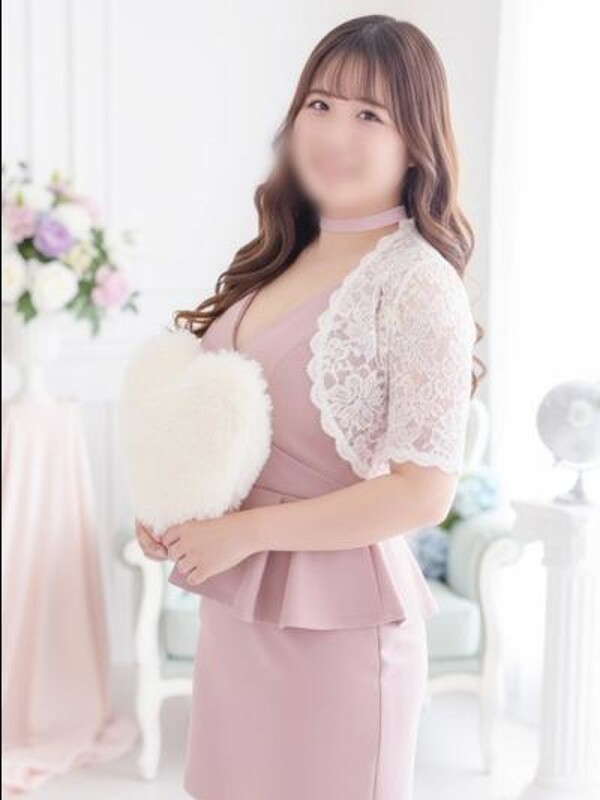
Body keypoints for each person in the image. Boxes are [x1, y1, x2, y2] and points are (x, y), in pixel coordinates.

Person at [135, 14, 485, 800]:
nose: (334, 131)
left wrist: (244, 533)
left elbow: (424, 492)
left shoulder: (418, 283)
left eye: (370, 114)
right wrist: (175, 512)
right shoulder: (279, 256)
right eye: (320, 104)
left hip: (341, 634)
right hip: (240, 613)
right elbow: (230, 431)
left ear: (415, 142)